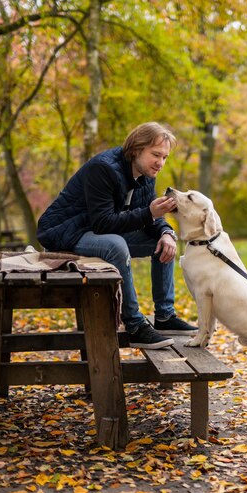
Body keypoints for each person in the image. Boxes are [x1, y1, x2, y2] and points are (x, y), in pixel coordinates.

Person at [37, 121, 197, 349]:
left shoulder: (146, 175)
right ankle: (134, 326)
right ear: (137, 149)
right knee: (116, 245)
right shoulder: (103, 169)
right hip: (65, 233)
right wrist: (150, 213)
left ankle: (164, 316)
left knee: (158, 242)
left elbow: (148, 217)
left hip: (95, 231)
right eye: (156, 155)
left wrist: (166, 232)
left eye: (164, 157)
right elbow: (103, 223)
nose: (160, 163)